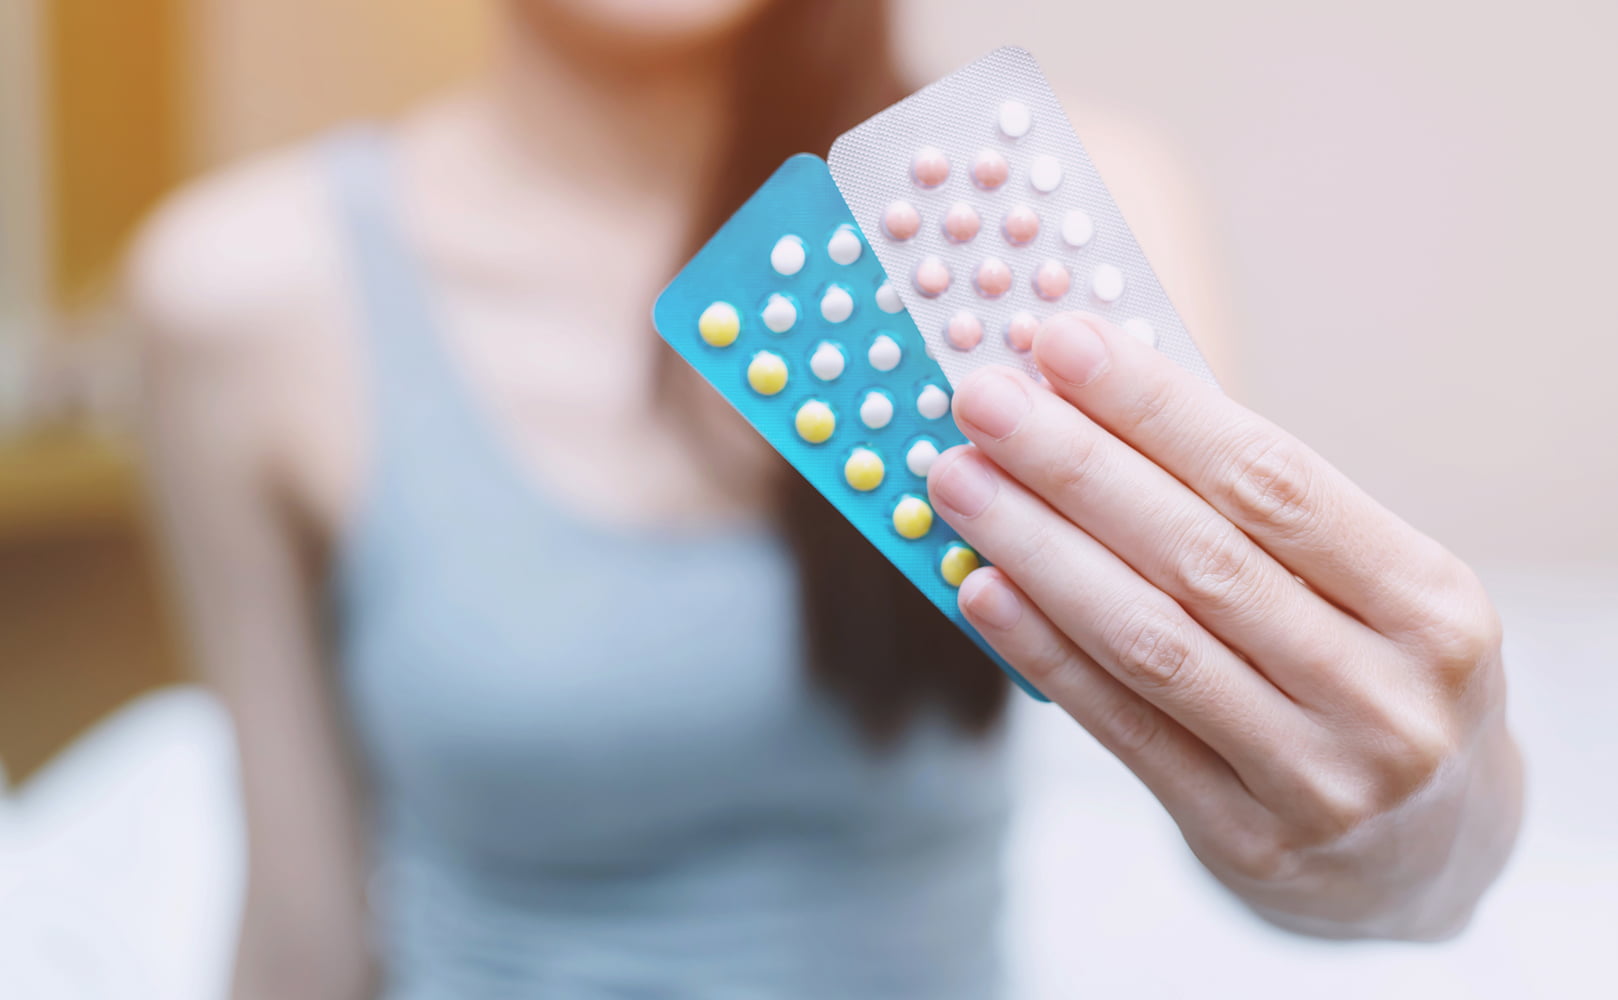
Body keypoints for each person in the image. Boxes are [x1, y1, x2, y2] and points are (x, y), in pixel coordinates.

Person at [128, 1, 1522, 996]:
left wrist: (1416, 844)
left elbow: (1271, 806)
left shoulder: (1045, 207)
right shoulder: (244, 298)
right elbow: (303, 938)